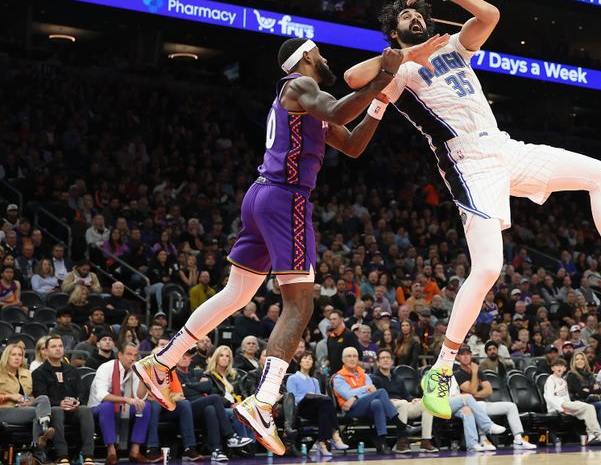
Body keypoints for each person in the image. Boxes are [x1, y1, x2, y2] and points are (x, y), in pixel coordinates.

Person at [343, 0, 601, 418]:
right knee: (488, 267)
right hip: (467, 163)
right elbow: (353, 77)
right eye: (405, 16)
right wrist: (408, 55)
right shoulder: (399, 71)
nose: (415, 17)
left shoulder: (455, 48)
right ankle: (441, 370)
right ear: (394, 32)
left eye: (418, 12)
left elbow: (490, 15)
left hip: (504, 149)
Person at [133, 37, 430, 456]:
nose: (325, 59)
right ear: (307, 57)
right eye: (320, 54)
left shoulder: (308, 102)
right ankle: (264, 400)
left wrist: (380, 101)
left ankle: (161, 360)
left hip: (263, 195)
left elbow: (353, 144)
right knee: (300, 305)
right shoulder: (300, 86)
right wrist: (383, 74)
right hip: (286, 198)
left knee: (236, 294)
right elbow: (338, 108)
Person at [453, 346, 537, 449]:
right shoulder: (457, 374)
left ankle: (518, 439)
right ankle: (484, 440)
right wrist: (474, 374)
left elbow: (488, 390)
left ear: (471, 355)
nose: (466, 357)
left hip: (484, 403)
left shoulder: (479, 371)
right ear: (458, 357)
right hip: (469, 407)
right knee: (480, 405)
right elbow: (472, 390)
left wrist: (474, 393)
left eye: (467, 354)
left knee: (511, 406)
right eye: (462, 355)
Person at [174, 352, 252, 462]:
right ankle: (230, 436)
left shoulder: (198, 372)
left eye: (187, 356)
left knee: (210, 410)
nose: (184, 357)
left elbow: (207, 386)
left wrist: (187, 385)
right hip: (185, 408)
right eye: (181, 355)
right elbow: (183, 393)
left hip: (201, 406)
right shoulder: (174, 374)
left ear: (191, 359)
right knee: (214, 398)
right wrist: (196, 387)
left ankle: (216, 450)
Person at [31, 336, 96, 465]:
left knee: (85, 410)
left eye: (60, 346)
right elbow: (40, 396)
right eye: (53, 347)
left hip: (73, 410)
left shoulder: (72, 370)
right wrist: (59, 403)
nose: (58, 349)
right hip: (54, 410)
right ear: (46, 351)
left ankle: (88, 454)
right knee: (57, 410)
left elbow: (82, 392)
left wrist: (78, 402)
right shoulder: (39, 373)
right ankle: (62, 455)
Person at [87, 342, 151, 465]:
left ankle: (135, 451)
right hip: (98, 407)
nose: (132, 358)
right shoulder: (105, 368)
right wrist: (125, 400)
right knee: (107, 406)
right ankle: (111, 452)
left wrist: (144, 378)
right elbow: (102, 396)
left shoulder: (136, 368)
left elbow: (139, 397)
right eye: (129, 354)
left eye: (135, 355)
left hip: (124, 407)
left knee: (145, 406)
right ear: (120, 355)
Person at [370, 348, 436, 453]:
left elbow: (406, 395)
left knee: (426, 404)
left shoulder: (398, 378)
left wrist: (413, 399)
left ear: (392, 361)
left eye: (388, 358)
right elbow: (375, 396)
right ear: (378, 362)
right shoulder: (374, 378)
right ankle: (402, 441)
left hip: (402, 405)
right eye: (382, 358)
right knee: (403, 403)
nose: (386, 360)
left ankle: (425, 441)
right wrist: (391, 400)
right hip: (387, 407)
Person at [0, 343, 55, 465]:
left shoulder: (27, 373)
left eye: (20, 355)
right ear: (6, 356)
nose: (17, 357)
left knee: (43, 399)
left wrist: (29, 402)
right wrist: (9, 396)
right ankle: (40, 443)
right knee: (38, 413)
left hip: (24, 409)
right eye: (13, 354)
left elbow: (31, 396)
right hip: (5, 410)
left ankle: (42, 430)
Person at [286, 351, 348, 456]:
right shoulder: (293, 378)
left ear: (313, 363)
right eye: (305, 358)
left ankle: (322, 443)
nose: (307, 361)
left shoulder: (314, 380)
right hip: (301, 408)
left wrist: (314, 397)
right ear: (300, 362)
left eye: (310, 359)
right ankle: (335, 435)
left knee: (325, 406)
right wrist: (307, 396)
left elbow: (319, 397)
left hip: (315, 408)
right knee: (326, 402)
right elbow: (291, 398)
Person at [544, 358, 601, 445]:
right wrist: (561, 409)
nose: (559, 368)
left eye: (561, 366)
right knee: (588, 407)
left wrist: (570, 407)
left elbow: (566, 397)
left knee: (589, 408)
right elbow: (549, 397)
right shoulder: (550, 380)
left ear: (565, 368)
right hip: (559, 406)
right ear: (552, 368)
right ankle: (599, 434)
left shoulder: (563, 381)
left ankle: (591, 436)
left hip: (567, 404)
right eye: (557, 366)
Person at [566, 351, 601, 444]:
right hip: (579, 402)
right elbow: (580, 392)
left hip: (590, 400)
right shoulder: (571, 375)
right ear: (573, 362)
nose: (580, 361)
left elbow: (598, 390)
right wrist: (591, 389)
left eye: (582, 359)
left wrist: (588, 390)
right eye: (577, 359)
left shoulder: (590, 374)